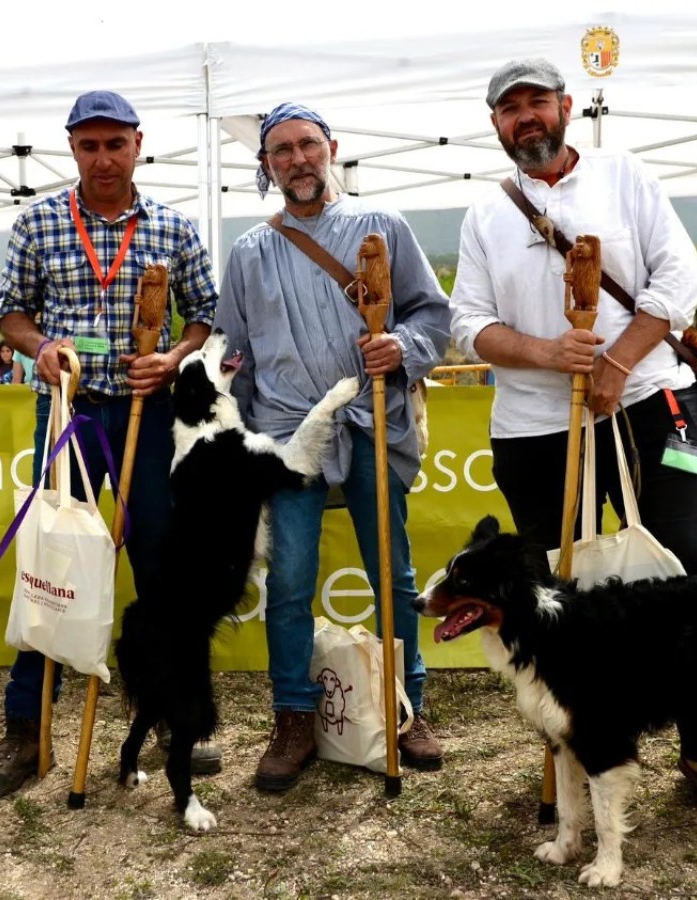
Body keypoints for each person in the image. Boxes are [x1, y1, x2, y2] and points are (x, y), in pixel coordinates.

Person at [449, 58, 697, 827]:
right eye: (510, 108)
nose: (527, 118)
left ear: (565, 109)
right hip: (535, 426)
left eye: (537, 103)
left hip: (653, 403)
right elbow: (468, 325)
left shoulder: (626, 176)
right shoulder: (487, 215)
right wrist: (546, 354)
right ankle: (575, 760)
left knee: (692, 577)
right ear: (495, 124)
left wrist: (620, 362)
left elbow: (680, 279)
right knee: (560, 599)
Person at [0, 89, 220, 802]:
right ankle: (27, 729)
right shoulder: (39, 222)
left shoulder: (173, 227)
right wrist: (41, 347)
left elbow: (203, 313)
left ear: (139, 144)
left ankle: (170, 717)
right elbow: (10, 314)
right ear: (72, 148)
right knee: (51, 563)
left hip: (150, 412)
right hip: (69, 417)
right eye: (88, 145)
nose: (102, 158)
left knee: (162, 572)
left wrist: (172, 358)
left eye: (115, 143)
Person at [215, 102, 451, 792]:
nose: (297, 159)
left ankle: (405, 708)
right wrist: (241, 440)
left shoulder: (384, 228)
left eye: (307, 145)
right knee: (288, 584)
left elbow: (432, 316)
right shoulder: (250, 252)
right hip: (290, 436)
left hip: (376, 421)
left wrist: (399, 347)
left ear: (332, 149)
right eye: (281, 150)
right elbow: (235, 357)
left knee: (394, 575)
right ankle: (293, 716)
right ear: (266, 166)